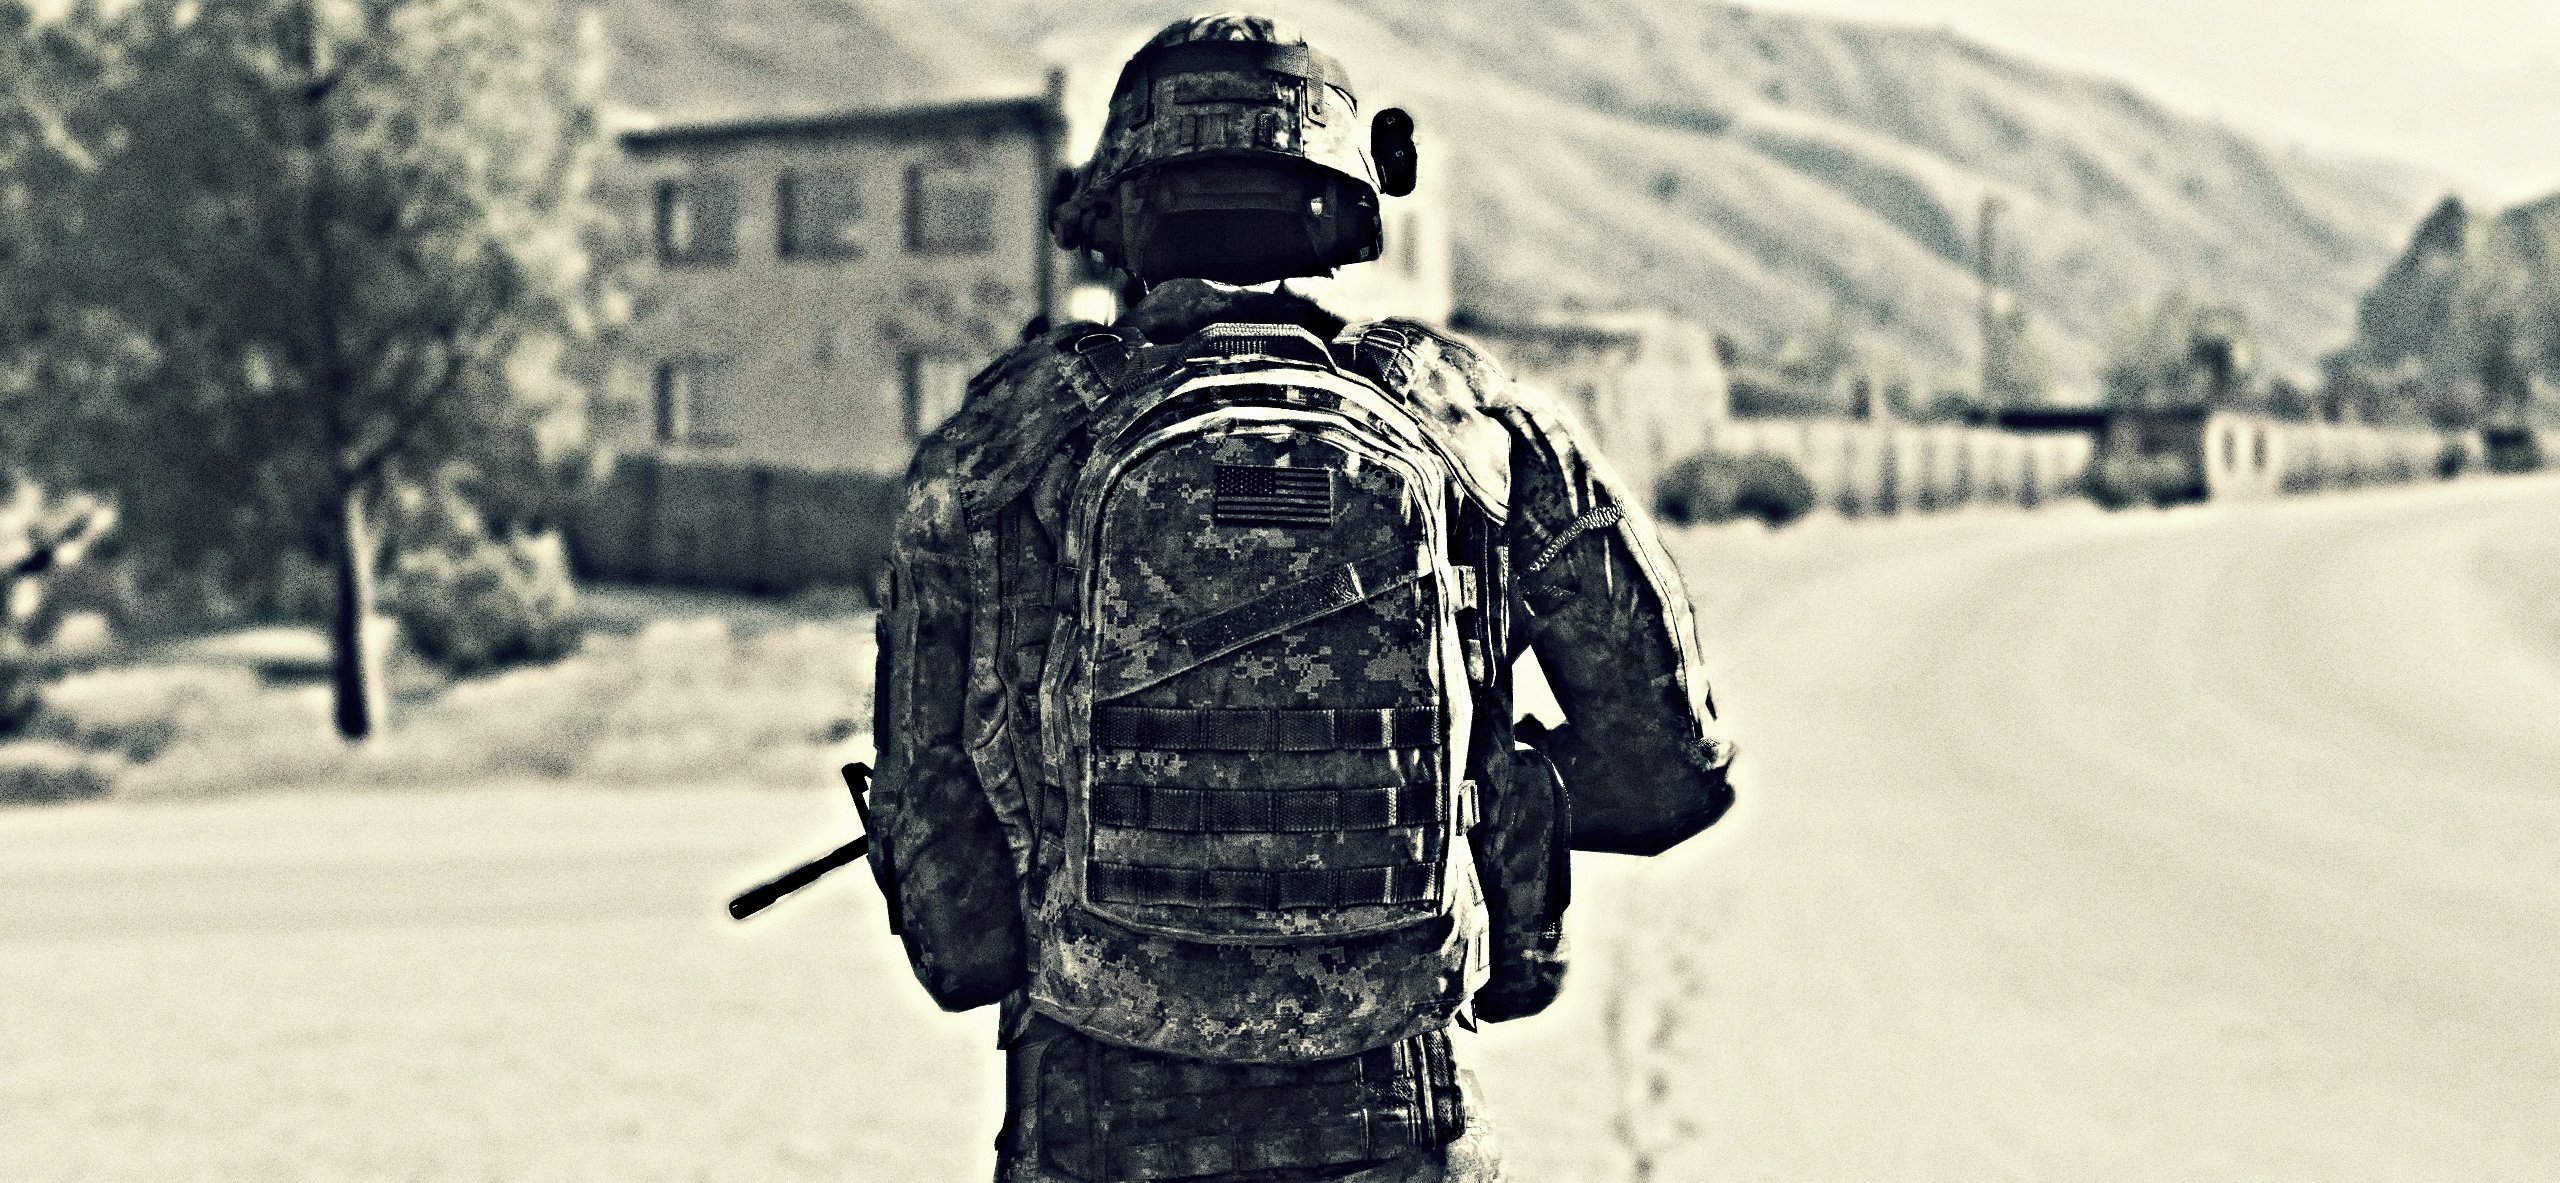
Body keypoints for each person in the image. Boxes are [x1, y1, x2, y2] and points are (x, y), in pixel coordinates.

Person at [868, 14, 1736, 1181]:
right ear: (1342, 207)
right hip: (1393, 1115)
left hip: (1094, 1119)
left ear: (1126, 211)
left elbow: (954, 917)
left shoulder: (998, 447)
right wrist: (1483, 790)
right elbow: (1671, 768)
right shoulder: (1475, 424)